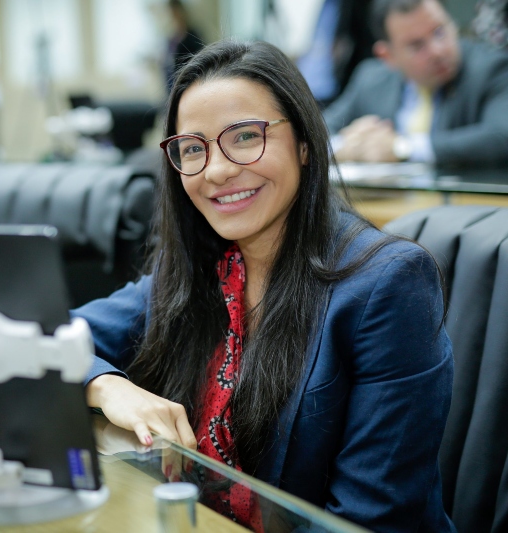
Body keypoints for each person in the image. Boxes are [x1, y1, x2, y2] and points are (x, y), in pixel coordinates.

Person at [72, 40, 455, 531]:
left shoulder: (389, 285)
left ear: (304, 143)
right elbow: (49, 337)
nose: (217, 170)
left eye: (246, 136)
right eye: (193, 148)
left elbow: (372, 520)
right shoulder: (198, 268)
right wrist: (106, 386)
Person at [324, 0, 508, 165]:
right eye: (417, 45)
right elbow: (319, 130)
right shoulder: (371, 79)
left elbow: (501, 136)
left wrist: (401, 148)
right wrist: (346, 146)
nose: (437, 51)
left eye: (439, 32)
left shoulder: (491, 69)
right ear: (388, 56)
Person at [162, 0, 204, 93]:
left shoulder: (192, 36)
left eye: (176, 12)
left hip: (189, 86)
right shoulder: (171, 39)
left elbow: (201, 62)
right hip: (171, 88)